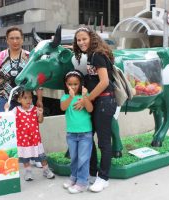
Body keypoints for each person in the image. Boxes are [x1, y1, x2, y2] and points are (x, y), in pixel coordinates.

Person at [72, 27, 117, 192]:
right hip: (98, 102)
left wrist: (87, 99)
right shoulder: (91, 55)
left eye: (84, 39)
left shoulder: (97, 55)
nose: (81, 42)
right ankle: (92, 173)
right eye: (78, 40)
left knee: (103, 142)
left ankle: (103, 177)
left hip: (104, 101)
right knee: (88, 138)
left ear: (91, 38)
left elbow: (104, 82)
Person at [0, 26, 43, 112]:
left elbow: (37, 81)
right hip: (2, 99)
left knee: (24, 124)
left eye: (17, 38)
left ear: (22, 39)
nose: (15, 41)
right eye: (11, 38)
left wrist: (39, 99)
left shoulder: (30, 57)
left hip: (25, 98)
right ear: (7, 40)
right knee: (5, 124)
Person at [4, 90, 55, 181]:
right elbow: (8, 118)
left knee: (41, 157)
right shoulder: (16, 110)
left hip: (35, 140)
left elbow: (40, 121)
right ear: (19, 100)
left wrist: (41, 114)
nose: (28, 100)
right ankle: (28, 172)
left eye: (30, 97)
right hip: (23, 141)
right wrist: (6, 109)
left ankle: (46, 170)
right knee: (25, 158)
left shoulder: (35, 109)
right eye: (25, 98)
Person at [60, 70, 93, 194]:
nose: (73, 86)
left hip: (85, 133)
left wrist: (85, 98)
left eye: (75, 84)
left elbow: (90, 109)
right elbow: (63, 107)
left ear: (81, 84)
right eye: (70, 84)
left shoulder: (85, 95)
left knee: (83, 158)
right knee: (74, 157)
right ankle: (74, 177)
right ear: (66, 85)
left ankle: (83, 182)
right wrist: (71, 97)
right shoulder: (65, 97)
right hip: (71, 134)